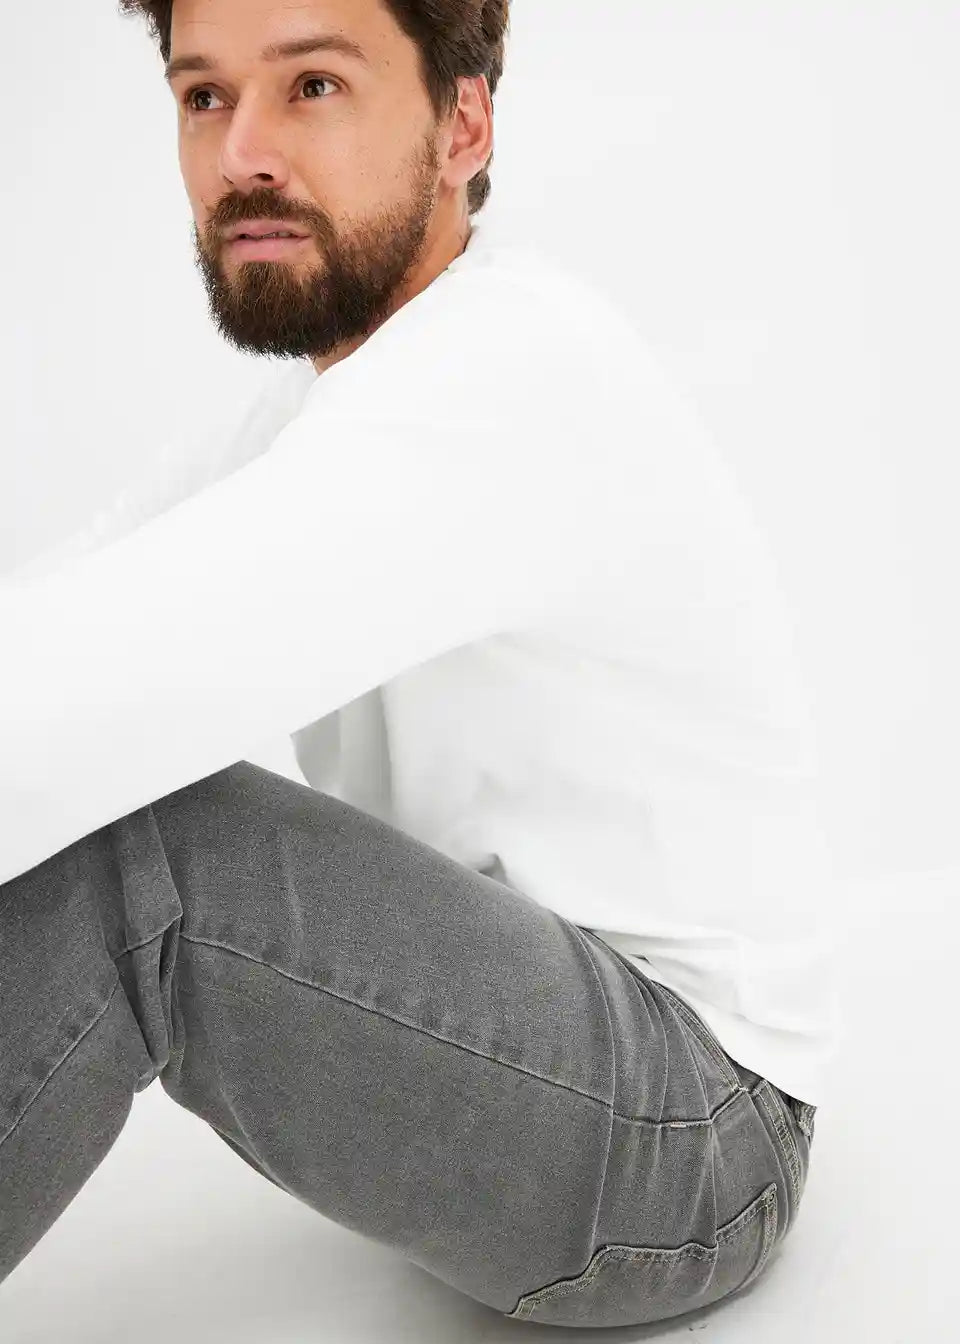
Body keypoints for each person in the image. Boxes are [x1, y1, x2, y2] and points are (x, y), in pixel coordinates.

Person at [0, 0, 839, 1325]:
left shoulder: (505, 380)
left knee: (136, 854)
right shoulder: (335, 400)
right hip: (557, 1052)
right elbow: (70, 606)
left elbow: (61, 711)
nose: (242, 153)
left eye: (312, 86)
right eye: (205, 97)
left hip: (695, 1139)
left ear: (462, 124)